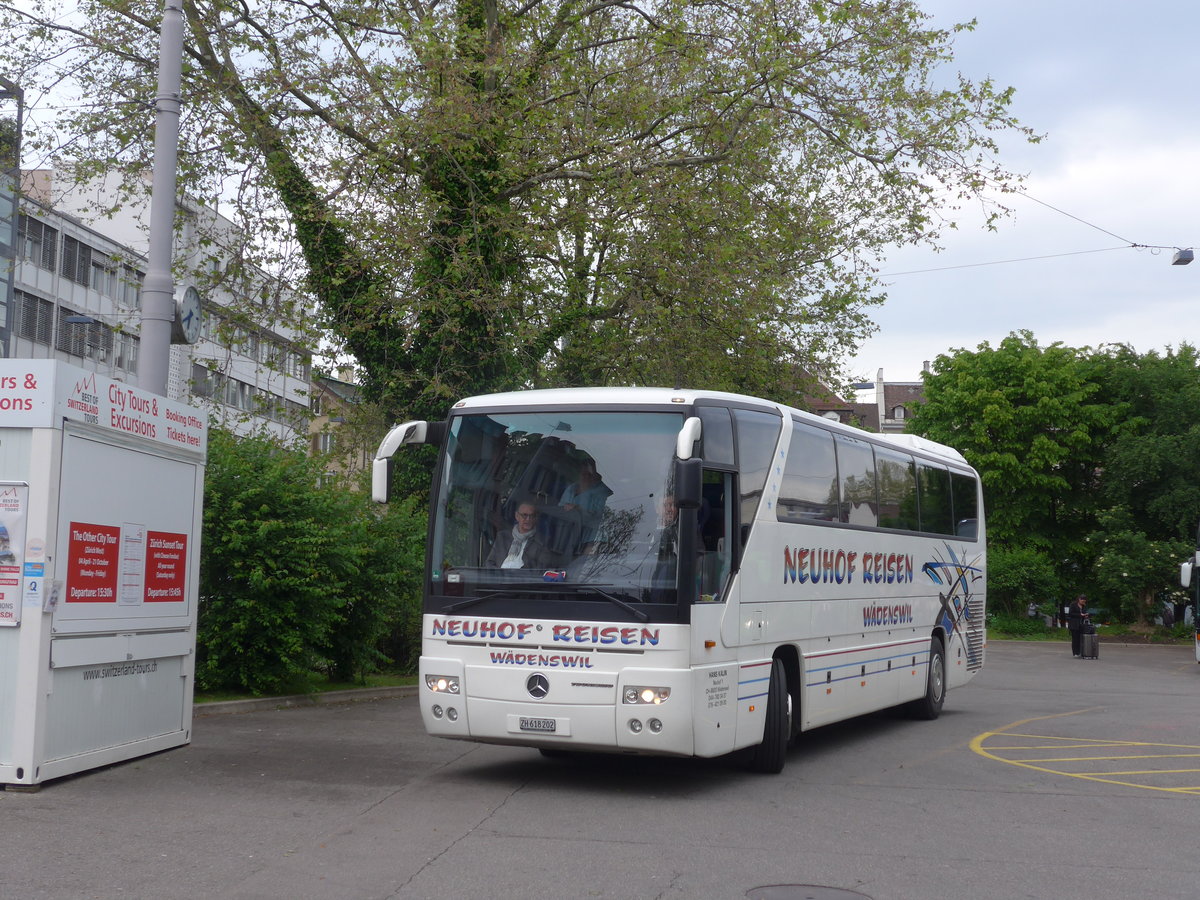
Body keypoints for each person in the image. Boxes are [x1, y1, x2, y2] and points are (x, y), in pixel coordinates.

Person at [485, 502, 557, 570]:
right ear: (517, 516)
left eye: (531, 516)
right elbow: (489, 563)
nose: (528, 519)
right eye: (524, 515)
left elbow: (540, 572)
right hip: (497, 580)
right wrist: (498, 576)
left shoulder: (541, 542)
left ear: (536, 518)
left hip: (522, 581)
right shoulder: (502, 537)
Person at [559, 460, 611, 547]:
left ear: (596, 475)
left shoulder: (602, 492)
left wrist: (578, 509)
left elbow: (598, 516)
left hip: (588, 540)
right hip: (564, 536)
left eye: (590, 475)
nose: (586, 477)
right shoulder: (571, 488)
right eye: (584, 473)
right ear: (579, 474)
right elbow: (560, 509)